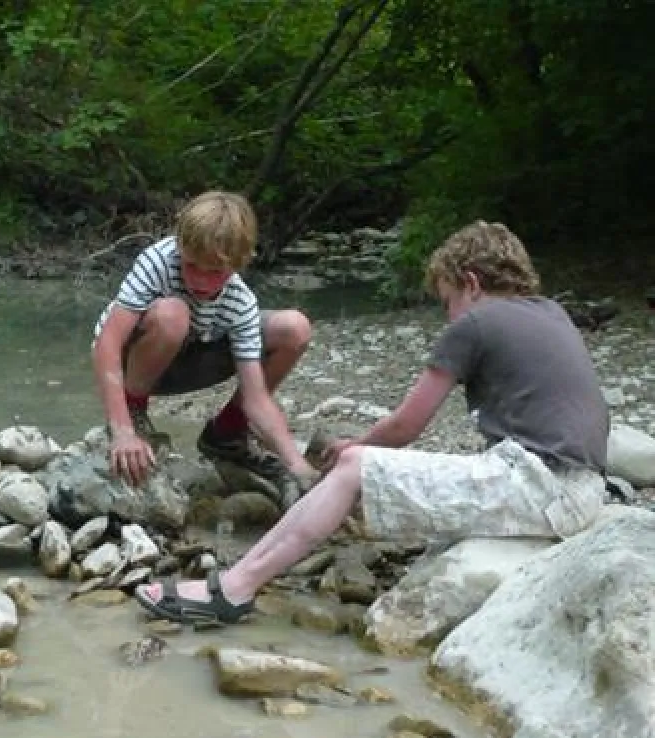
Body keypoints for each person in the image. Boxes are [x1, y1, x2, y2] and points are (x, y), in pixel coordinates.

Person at [136, 219, 611, 625]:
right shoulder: (551, 313)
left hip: (540, 486)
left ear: (470, 282)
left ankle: (232, 590)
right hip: (581, 487)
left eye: (446, 301)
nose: (448, 315)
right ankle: (244, 575)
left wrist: (354, 447)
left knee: (354, 468)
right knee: (364, 470)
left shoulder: (476, 324)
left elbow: (405, 427)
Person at [90, 190, 320, 502]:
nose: (200, 280)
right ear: (180, 247)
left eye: (215, 272)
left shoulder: (240, 302)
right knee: (173, 315)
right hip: (133, 360)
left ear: (238, 264)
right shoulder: (159, 261)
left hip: (191, 358)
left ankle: (227, 433)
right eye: (192, 266)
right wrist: (123, 430)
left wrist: (296, 464)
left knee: (295, 327)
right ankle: (134, 409)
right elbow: (108, 341)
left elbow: (256, 397)